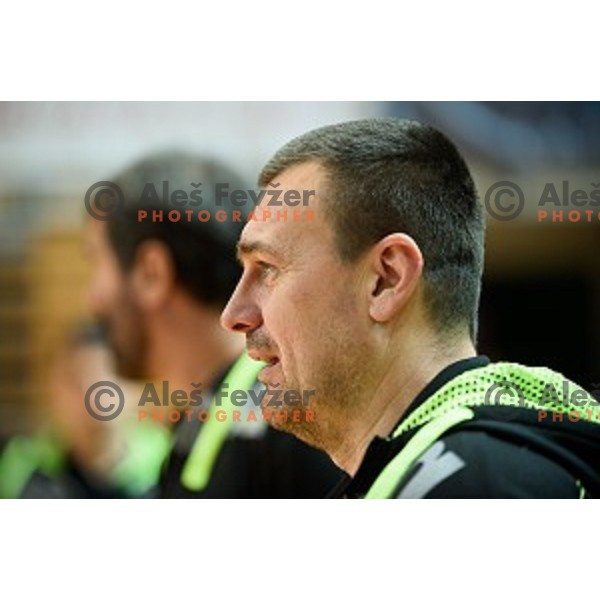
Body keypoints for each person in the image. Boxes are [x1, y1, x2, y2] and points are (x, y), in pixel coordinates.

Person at [221, 118, 600, 499]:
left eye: (268, 269)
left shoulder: (466, 483)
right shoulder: (455, 463)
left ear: (387, 279)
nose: (234, 314)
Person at [85, 150, 342, 498]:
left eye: (98, 262)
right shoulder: (207, 423)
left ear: (151, 274)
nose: (92, 297)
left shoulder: (284, 428)